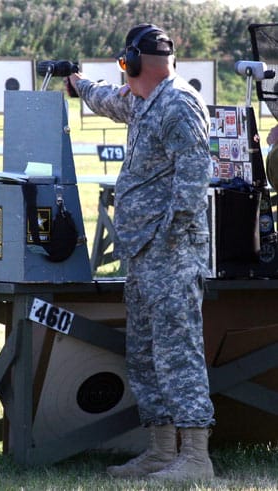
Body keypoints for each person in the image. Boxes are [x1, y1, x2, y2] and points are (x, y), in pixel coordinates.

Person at [67, 23, 215, 481]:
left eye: (123, 63)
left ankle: (195, 457)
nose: (121, 72)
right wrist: (77, 83)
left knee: (178, 352)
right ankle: (160, 449)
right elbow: (107, 97)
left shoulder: (179, 105)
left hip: (170, 251)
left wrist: (168, 242)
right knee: (147, 353)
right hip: (145, 251)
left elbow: (192, 187)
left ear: (132, 61)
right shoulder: (143, 101)